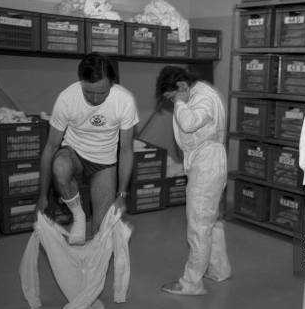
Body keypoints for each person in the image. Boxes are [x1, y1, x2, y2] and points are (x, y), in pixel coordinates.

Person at [36, 53, 138, 245]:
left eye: (102, 92)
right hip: (74, 153)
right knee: (60, 167)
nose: (95, 98)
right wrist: (42, 196)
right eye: (88, 92)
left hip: (104, 162)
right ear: (81, 82)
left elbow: (126, 150)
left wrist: (122, 194)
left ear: (111, 84)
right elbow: (51, 147)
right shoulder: (67, 98)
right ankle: (79, 215)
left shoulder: (124, 100)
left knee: (101, 233)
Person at [156, 66, 231, 295]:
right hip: (207, 161)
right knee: (211, 221)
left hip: (207, 164)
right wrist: (179, 100)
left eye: (171, 96)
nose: (172, 103)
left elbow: (189, 123)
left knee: (199, 224)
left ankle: (191, 283)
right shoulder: (200, 94)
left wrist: (179, 101)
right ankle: (219, 269)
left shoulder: (203, 97)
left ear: (181, 86)